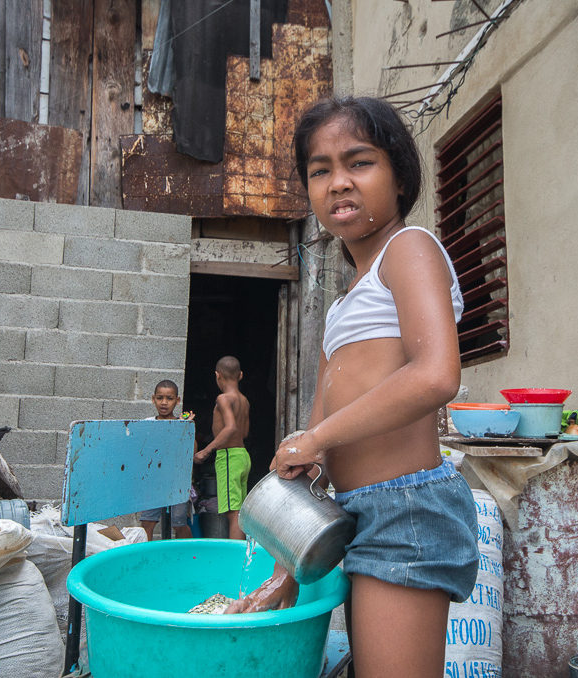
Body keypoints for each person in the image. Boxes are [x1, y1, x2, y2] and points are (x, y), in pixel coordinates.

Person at [226, 96, 480, 678]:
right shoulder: (343, 306)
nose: (338, 182)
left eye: (359, 163)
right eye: (320, 170)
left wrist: (314, 439)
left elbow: (437, 373)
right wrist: (284, 573)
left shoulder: (408, 250)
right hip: (357, 511)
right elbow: (319, 456)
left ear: (399, 177)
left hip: (407, 505)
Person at [194, 356, 251, 540]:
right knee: (239, 510)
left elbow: (231, 428)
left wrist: (206, 450)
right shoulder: (244, 400)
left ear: (218, 376)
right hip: (242, 456)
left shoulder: (223, 398)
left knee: (232, 512)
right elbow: (245, 432)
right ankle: (241, 554)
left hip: (229, 456)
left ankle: (237, 558)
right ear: (240, 375)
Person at [139, 379, 195, 540]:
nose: (164, 403)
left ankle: (189, 553)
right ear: (153, 399)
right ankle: (147, 559)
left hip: (176, 482)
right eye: (159, 398)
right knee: (147, 523)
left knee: (178, 524)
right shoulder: (147, 424)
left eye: (169, 399)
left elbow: (193, 451)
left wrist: (186, 428)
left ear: (177, 401)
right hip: (153, 481)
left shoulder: (182, 423)